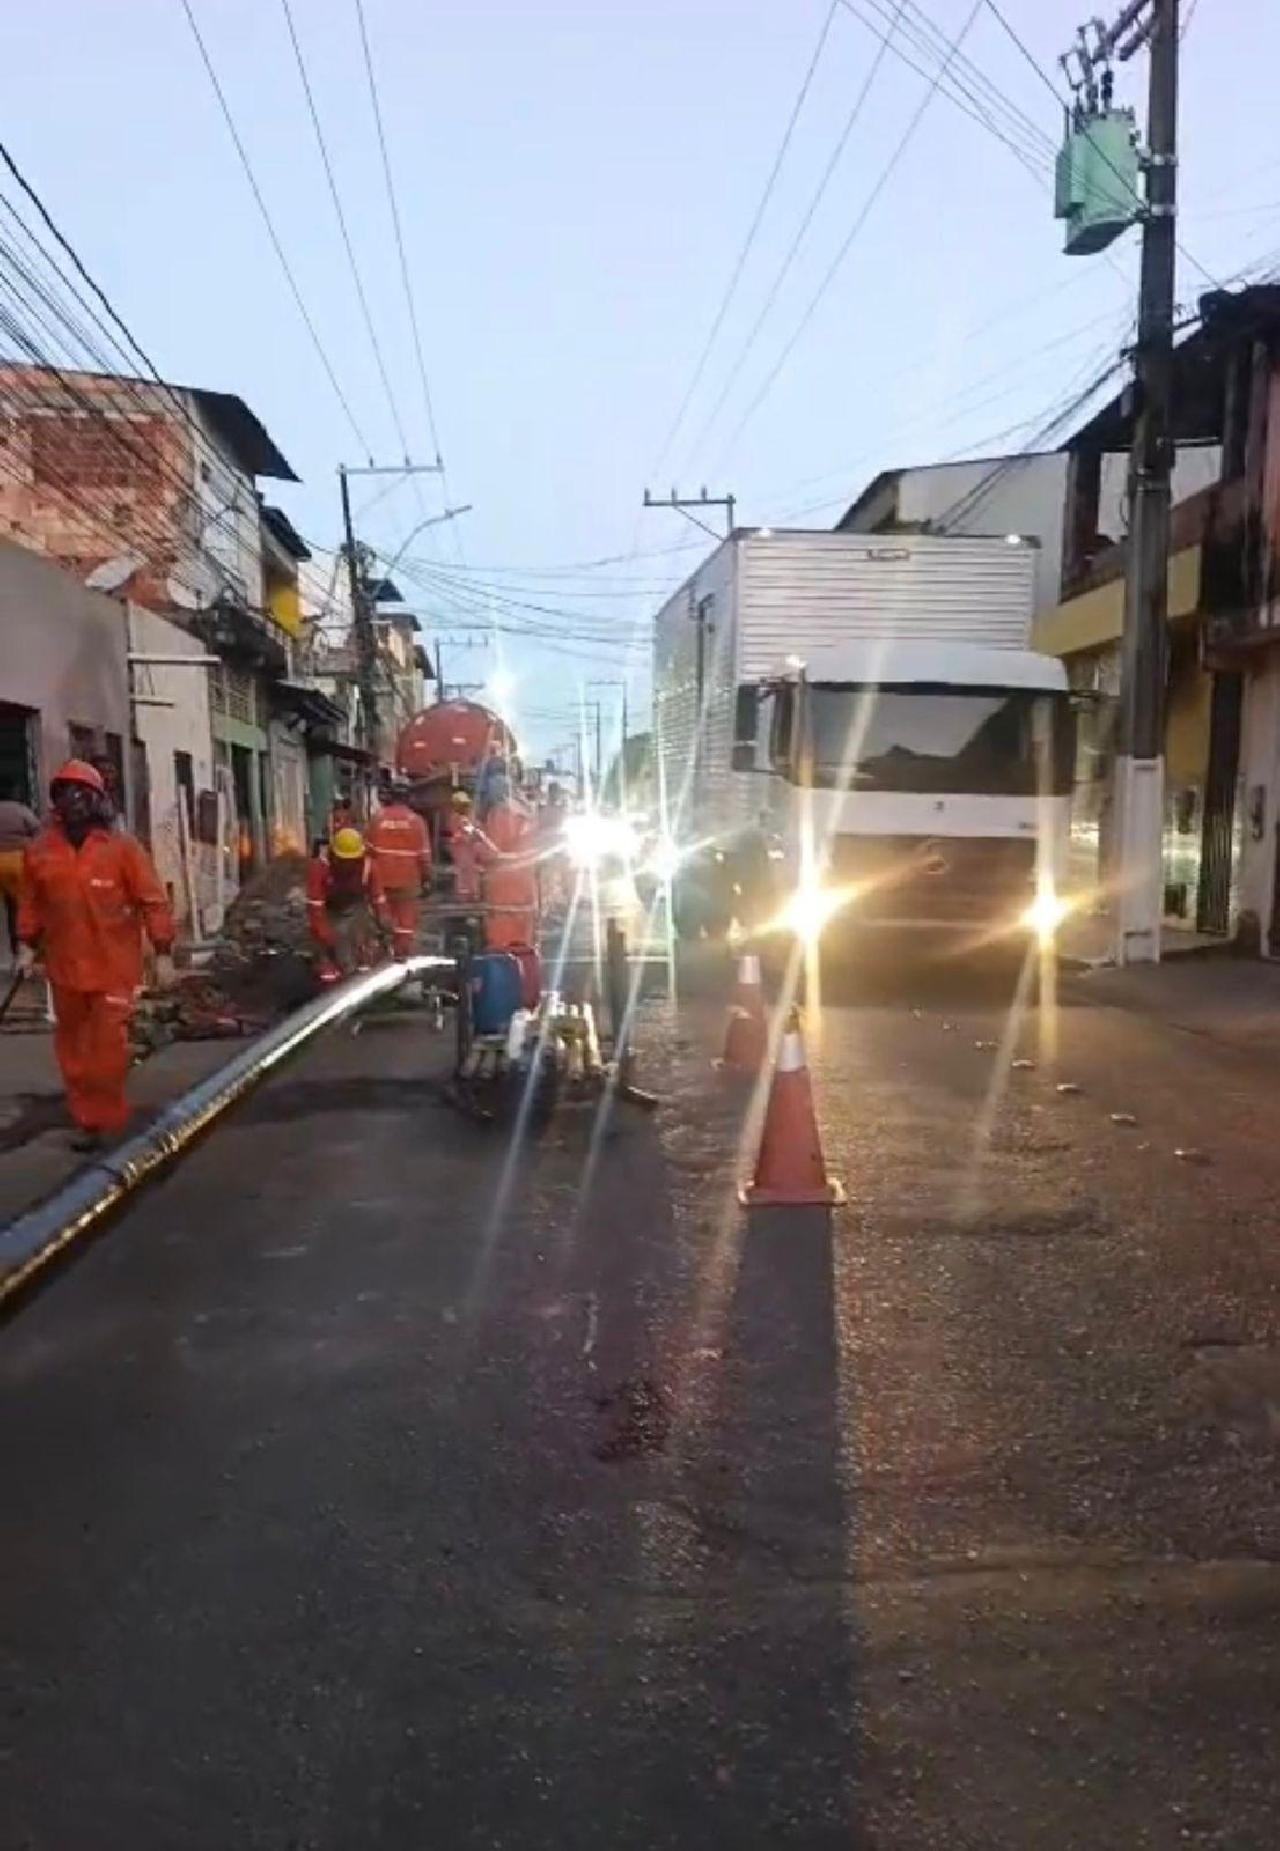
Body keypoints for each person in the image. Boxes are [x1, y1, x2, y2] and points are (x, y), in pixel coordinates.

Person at [15, 759, 174, 1150]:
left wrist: (164, 950)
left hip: (113, 968)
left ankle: (110, 1121)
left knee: (107, 1051)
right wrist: (25, 945)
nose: (74, 800)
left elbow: (152, 900)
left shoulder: (122, 850)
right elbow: (32, 904)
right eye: (65, 792)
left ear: (97, 800)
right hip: (65, 967)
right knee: (73, 1052)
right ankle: (89, 1123)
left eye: (81, 792)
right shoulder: (41, 853)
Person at [306, 826, 387, 983]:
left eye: (352, 860)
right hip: (329, 911)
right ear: (334, 856)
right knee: (327, 958)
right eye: (344, 860)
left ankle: (362, 983)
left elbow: (378, 897)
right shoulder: (320, 867)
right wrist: (326, 936)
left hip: (356, 909)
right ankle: (329, 990)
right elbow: (315, 907)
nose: (348, 865)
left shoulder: (369, 866)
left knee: (362, 950)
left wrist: (383, 918)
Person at [366, 781, 431, 959]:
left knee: (382, 919)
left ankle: (381, 958)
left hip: (381, 881)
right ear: (408, 798)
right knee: (405, 923)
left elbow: (368, 853)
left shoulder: (377, 819)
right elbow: (424, 857)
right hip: (408, 882)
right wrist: (427, 879)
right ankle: (401, 957)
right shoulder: (417, 821)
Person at [481, 769, 538, 952]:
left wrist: (476, 842)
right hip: (526, 885)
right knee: (525, 942)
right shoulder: (526, 812)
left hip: (504, 888)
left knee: (502, 946)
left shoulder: (499, 814)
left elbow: (491, 852)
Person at [0, 778, 40, 964]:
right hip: (17, 861)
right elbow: (37, 831)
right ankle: (22, 950)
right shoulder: (21, 810)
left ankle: (5, 953)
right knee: (22, 907)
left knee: (6, 908)